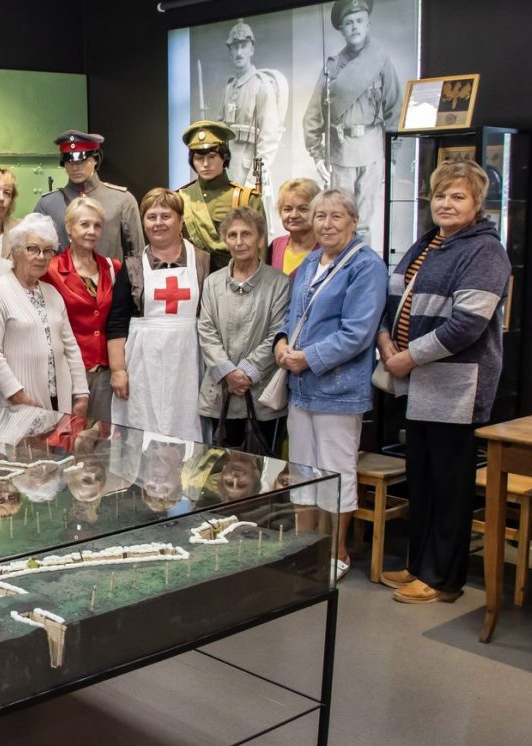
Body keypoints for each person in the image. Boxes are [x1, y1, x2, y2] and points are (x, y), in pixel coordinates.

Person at [376, 162, 511, 603]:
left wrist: (408, 357)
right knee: (423, 480)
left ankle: (443, 579)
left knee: (450, 487)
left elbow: (467, 324)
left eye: (457, 196)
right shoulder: (430, 242)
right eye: (440, 195)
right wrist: (385, 342)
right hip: (418, 383)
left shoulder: (485, 251)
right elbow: (393, 299)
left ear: (477, 203)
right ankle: (418, 565)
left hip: (455, 389)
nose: (446, 204)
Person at [274, 187, 385, 582]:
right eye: (321, 216)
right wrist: (281, 343)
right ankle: (305, 546)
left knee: (336, 472)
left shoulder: (366, 266)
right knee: (302, 470)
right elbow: (291, 315)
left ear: (353, 221)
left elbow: (358, 332)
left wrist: (308, 358)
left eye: (337, 216)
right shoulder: (309, 263)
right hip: (301, 388)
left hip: (338, 390)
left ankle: (336, 552)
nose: (327, 224)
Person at [107, 188, 210, 441]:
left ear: (180, 220)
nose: (158, 223)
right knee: (143, 429)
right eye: (151, 217)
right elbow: (117, 323)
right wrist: (118, 370)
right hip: (143, 363)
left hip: (190, 361)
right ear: (144, 223)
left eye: (166, 216)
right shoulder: (132, 267)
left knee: (187, 425)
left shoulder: (203, 262)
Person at [302, 0, 402, 239]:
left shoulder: (381, 60)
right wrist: (317, 154)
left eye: (359, 21)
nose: (355, 26)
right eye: (349, 23)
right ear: (342, 29)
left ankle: (363, 262)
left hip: (372, 149)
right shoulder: (333, 67)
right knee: (338, 219)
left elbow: (394, 108)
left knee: (363, 223)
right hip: (341, 151)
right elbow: (314, 113)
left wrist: (392, 156)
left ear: (368, 24)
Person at [197, 206, 290, 452]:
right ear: (225, 241)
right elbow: (206, 330)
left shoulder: (279, 283)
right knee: (221, 468)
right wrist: (228, 372)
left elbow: (278, 332)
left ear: (259, 239)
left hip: (262, 396)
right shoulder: (212, 283)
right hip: (220, 394)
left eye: (246, 234)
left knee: (264, 468)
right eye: (232, 235)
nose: (239, 242)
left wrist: (247, 373)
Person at [0, 213, 89, 416]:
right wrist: (19, 397)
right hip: (17, 404)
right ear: (16, 250)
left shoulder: (52, 293)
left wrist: (82, 394)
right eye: (32, 249)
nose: (41, 257)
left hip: (60, 401)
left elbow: (71, 347)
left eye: (48, 251)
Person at [42, 196, 120, 422]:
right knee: (66, 436)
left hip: (104, 373)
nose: (91, 231)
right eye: (84, 224)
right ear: (69, 227)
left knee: (101, 438)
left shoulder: (112, 267)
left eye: (97, 226)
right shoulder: (51, 270)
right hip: (67, 371)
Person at [33, 129, 145, 262]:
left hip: (110, 274)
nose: (75, 167)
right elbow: (36, 251)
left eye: (81, 161)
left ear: (96, 159)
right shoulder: (47, 205)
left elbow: (136, 254)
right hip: (61, 275)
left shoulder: (122, 200)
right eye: (69, 161)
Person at [177, 120, 266, 269]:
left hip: (236, 278)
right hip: (194, 278)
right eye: (199, 158)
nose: (205, 164)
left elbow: (261, 255)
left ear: (224, 157)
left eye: (212, 157)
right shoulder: (181, 198)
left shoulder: (247, 199)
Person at [219, 19, 288, 190]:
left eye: (243, 46)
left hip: (249, 175)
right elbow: (220, 131)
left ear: (252, 49)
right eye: (235, 47)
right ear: (230, 51)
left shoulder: (261, 86)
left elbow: (268, 139)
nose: (239, 52)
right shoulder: (229, 88)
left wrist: (254, 178)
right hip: (227, 172)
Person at [269, 178, 322, 277]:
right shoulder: (275, 246)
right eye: (287, 209)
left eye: (303, 209)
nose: (294, 215)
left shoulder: (326, 251)